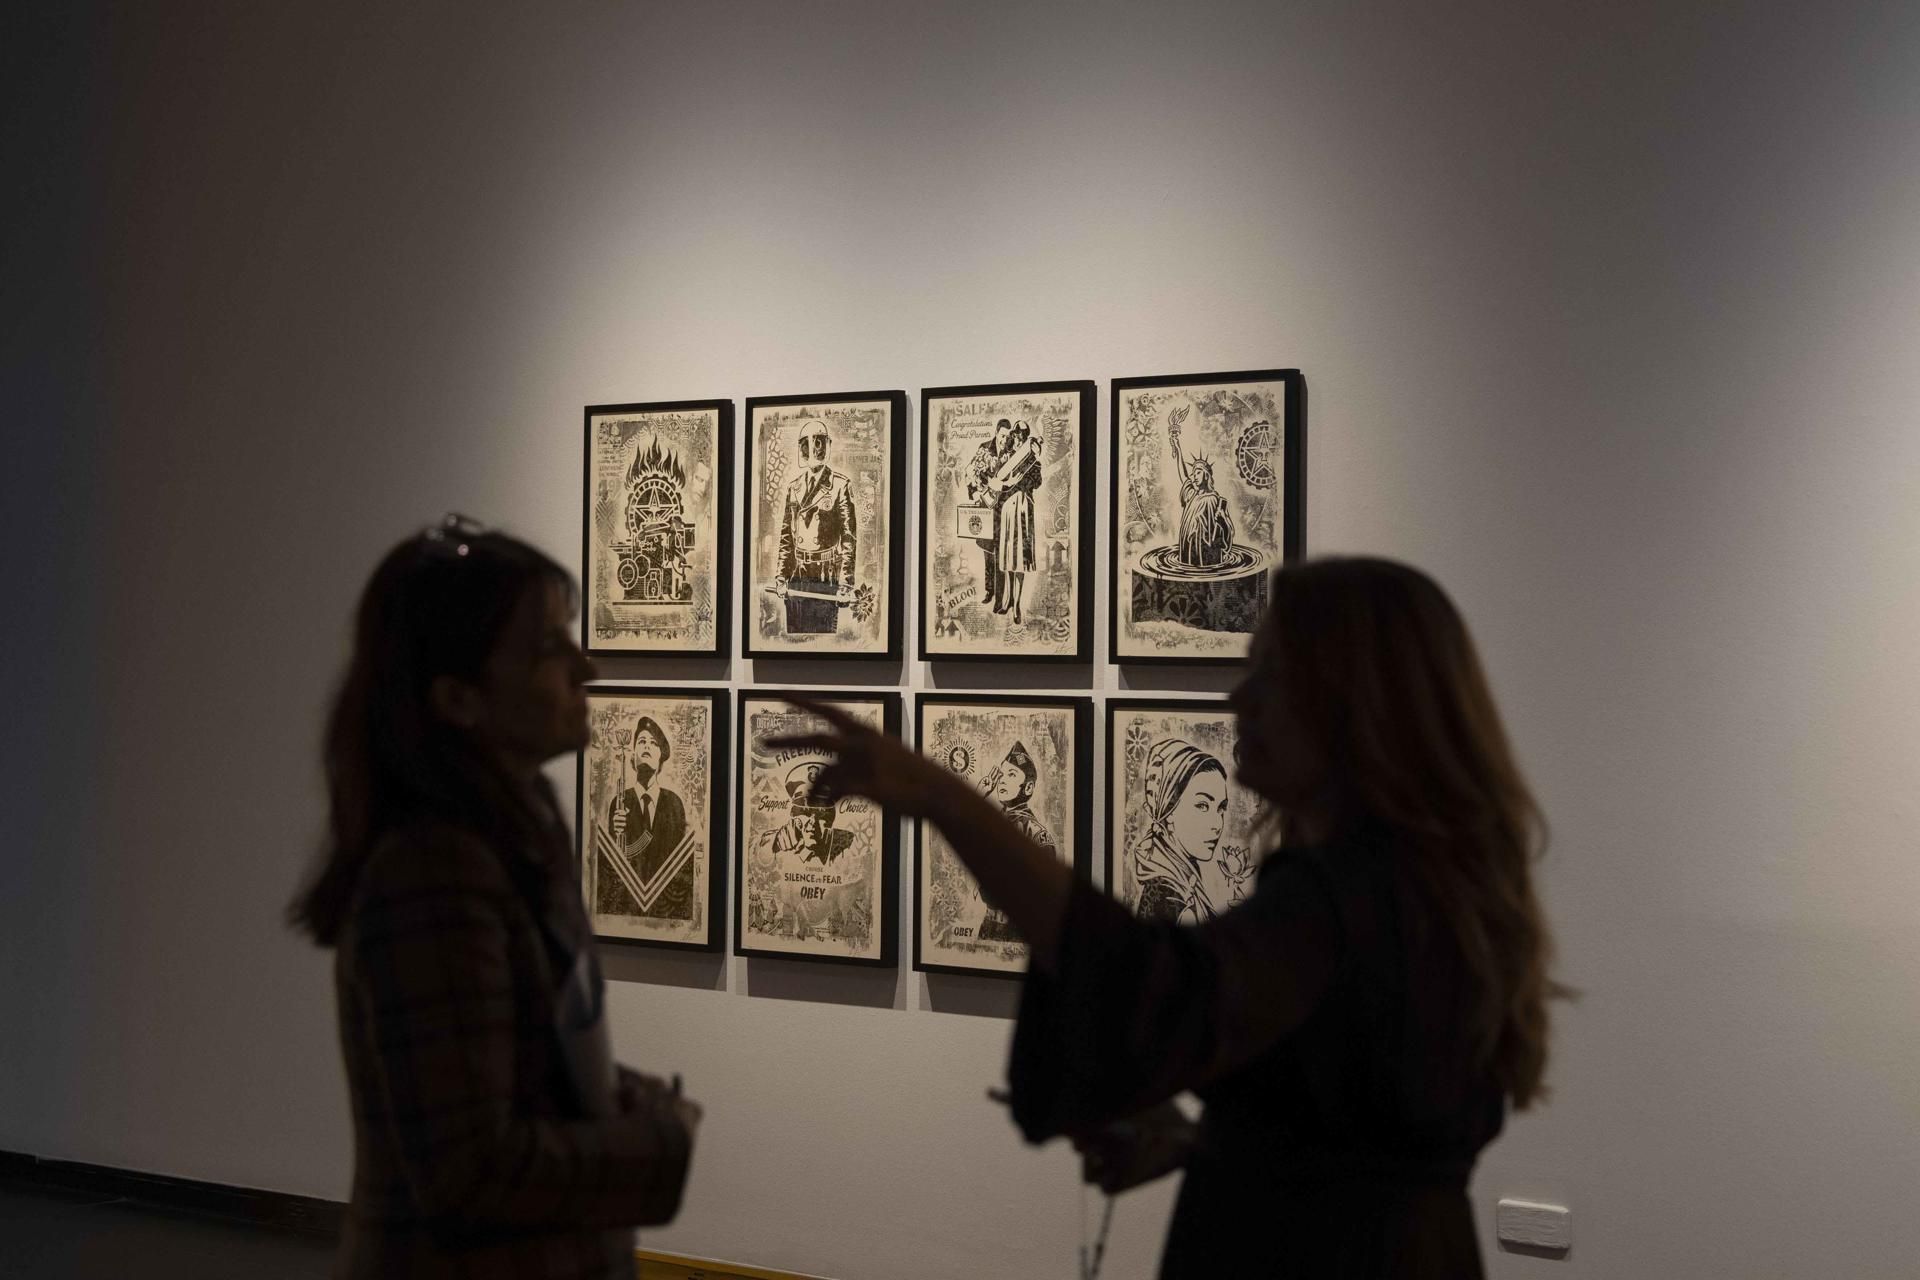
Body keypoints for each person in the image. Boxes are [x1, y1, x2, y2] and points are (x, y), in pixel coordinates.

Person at [775, 555, 1565, 1278]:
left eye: (1270, 675)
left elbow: (1151, 987)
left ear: (1353, 706)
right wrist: (1203, 1144)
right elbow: (1360, 1130)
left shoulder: (1341, 895)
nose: (1238, 698)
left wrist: (945, 801)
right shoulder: (1421, 886)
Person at [288, 515, 701, 1280]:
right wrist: (658, 1143)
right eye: (548, 647)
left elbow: (524, 1055)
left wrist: (620, 1096)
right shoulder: (433, 871)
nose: (585, 667)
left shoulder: (520, 822)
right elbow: (470, 1170)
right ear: (458, 698)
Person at [1129, 738, 1232, 925]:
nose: (1218, 825)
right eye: (1202, 806)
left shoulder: (1180, 880)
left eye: (1221, 808)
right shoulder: (1175, 902)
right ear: (1169, 811)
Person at [602, 715, 693, 920]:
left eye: (654, 743)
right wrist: (616, 836)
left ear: (661, 758)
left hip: (667, 907)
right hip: (628, 906)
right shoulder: (620, 802)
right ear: (633, 756)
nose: (647, 746)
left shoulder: (674, 803)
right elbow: (612, 869)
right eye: (641, 741)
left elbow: (679, 862)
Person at [777, 418, 856, 634]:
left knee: (820, 638)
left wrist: (845, 584)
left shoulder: (840, 486)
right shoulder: (794, 488)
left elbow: (848, 538)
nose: (813, 449)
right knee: (796, 637)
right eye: (808, 445)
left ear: (826, 446)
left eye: (819, 443)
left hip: (825, 575)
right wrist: (781, 577)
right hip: (796, 573)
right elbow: (786, 537)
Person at [975, 741, 1052, 942]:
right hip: (988, 925)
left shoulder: (1035, 832)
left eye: (1011, 775)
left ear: (1028, 787)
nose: (1001, 780)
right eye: (1001, 774)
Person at [990, 418, 1042, 622]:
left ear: (1026, 438)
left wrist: (1030, 466)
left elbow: (1037, 482)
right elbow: (995, 482)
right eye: (1016, 435)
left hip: (1023, 509)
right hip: (1008, 509)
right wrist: (1009, 482)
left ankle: (1017, 605)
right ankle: (1008, 600)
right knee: (1008, 557)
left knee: (1020, 559)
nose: (1019, 439)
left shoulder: (1033, 460)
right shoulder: (1006, 458)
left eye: (1022, 436)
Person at [964, 418, 1012, 605]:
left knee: (1001, 552)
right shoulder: (984, 448)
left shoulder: (1011, 452)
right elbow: (970, 472)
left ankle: (1001, 595)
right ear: (996, 432)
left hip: (1003, 509)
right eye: (1002, 436)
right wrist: (974, 492)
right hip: (986, 507)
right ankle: (989, 590)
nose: (1004, 440)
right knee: (987, 551)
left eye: (1007, 437)